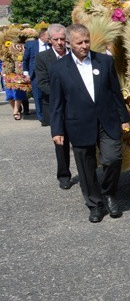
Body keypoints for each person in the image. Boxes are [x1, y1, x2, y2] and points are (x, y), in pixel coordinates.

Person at [50, 24, 130, 223]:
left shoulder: (104, 61)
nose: (84, 46)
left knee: (112, 158)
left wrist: (124, 119)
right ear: (69, 44)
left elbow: (115, 93)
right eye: (79, 43)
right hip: (78, 124)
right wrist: (57, 130)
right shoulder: (59, 69)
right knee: (86, 168)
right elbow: (57, 103)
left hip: (107, 120)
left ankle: (109, 193)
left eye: (87, 41)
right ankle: (95, 204)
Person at [34, 24, 75, 189]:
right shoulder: (42, 58)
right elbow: (42, 83)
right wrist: (64, 96)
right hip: (56, 106)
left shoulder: (75, 55)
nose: (59, 42)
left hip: (76, 107)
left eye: (62, 39)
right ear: (49, 40)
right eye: (55, 39)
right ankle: (64, 175)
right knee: (61, 143)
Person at [22, 28, 49, 118]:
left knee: (49, 94)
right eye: (47, 35)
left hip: (49, 73)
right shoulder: (31, 45)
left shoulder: (51, 44)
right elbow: (25, 59)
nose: (50, 37)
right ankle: (41, 116)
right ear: (41, 36)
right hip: (35, 73)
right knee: (38, 96)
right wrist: (26, 73)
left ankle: (48, 114)